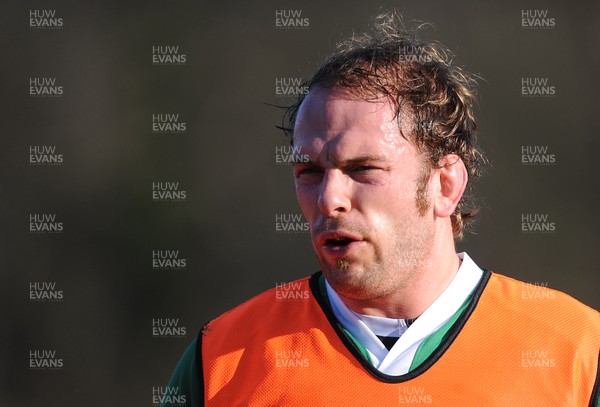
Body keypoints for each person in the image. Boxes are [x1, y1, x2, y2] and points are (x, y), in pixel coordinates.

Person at [162, 12, 600, 406]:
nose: (330, 198)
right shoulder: (222, 358)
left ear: (446, 184)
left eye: (363, 168)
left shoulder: (578, 352)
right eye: (310, 170)